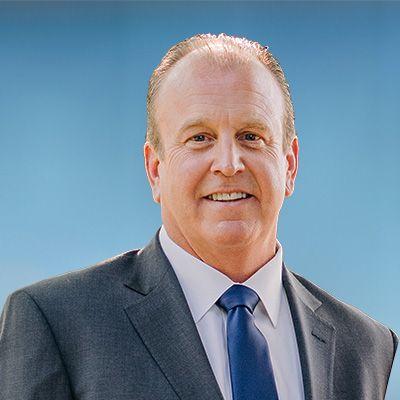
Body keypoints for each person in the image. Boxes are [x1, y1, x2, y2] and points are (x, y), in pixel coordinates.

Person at [0, 33, 397, 400]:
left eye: (251, 136)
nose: (228, 163)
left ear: (289, 165)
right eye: (199, 138)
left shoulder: (364, 346)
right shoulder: (57, 323)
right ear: (155, 170)